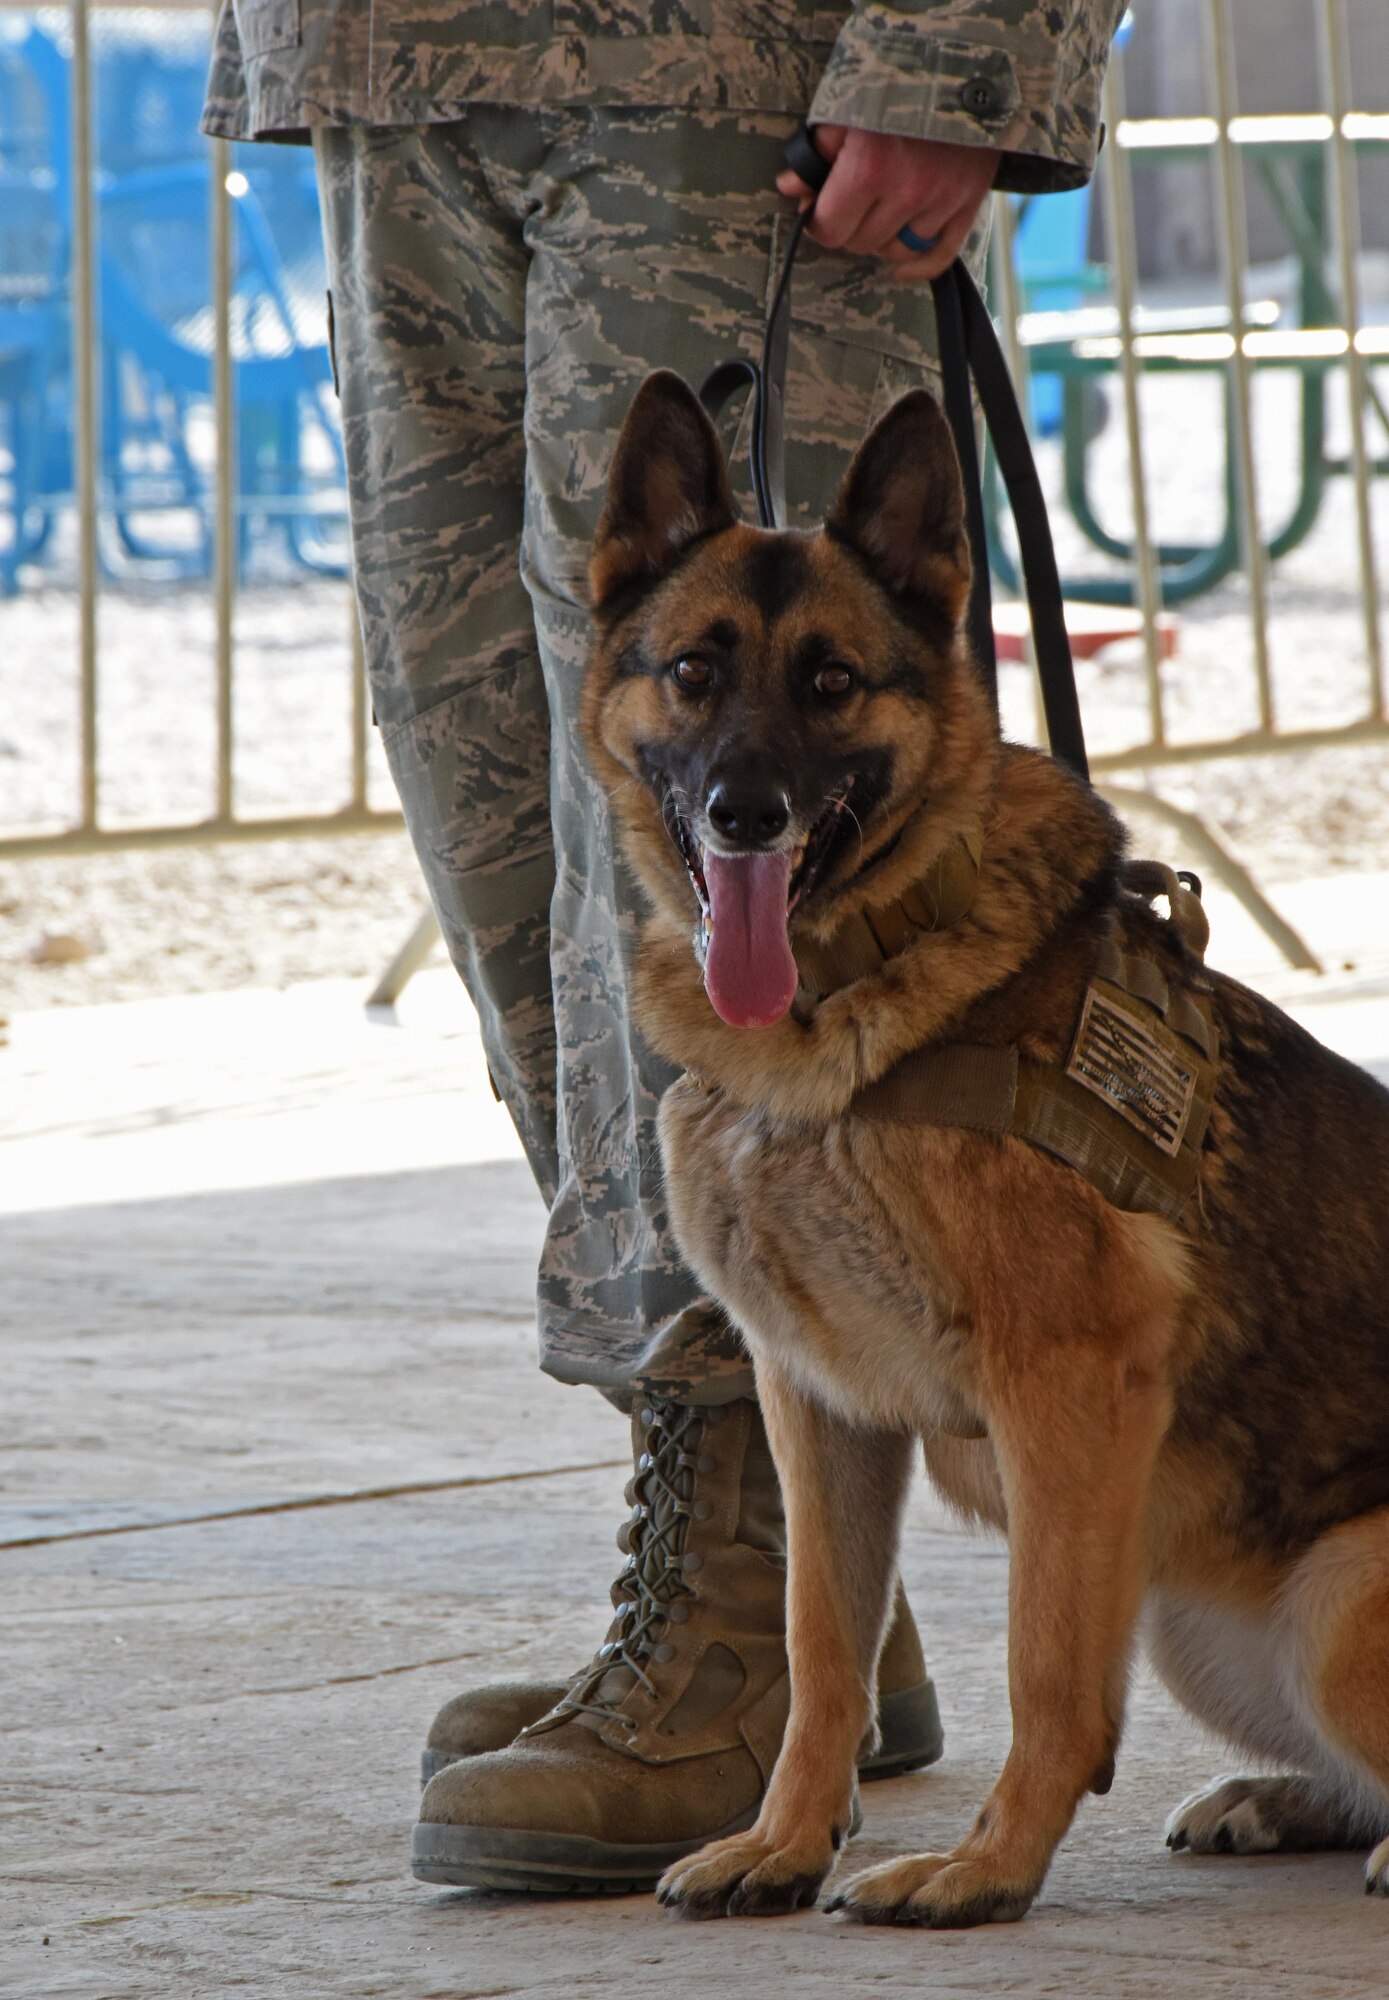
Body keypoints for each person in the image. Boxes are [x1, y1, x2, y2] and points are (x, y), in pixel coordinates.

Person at [203, 0, 1126, 1894]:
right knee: (526, 822)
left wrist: (959, 58)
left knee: (789, 788)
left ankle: (726, 1587)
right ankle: (810, 1602)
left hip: (721, 77)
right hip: (392, 77)